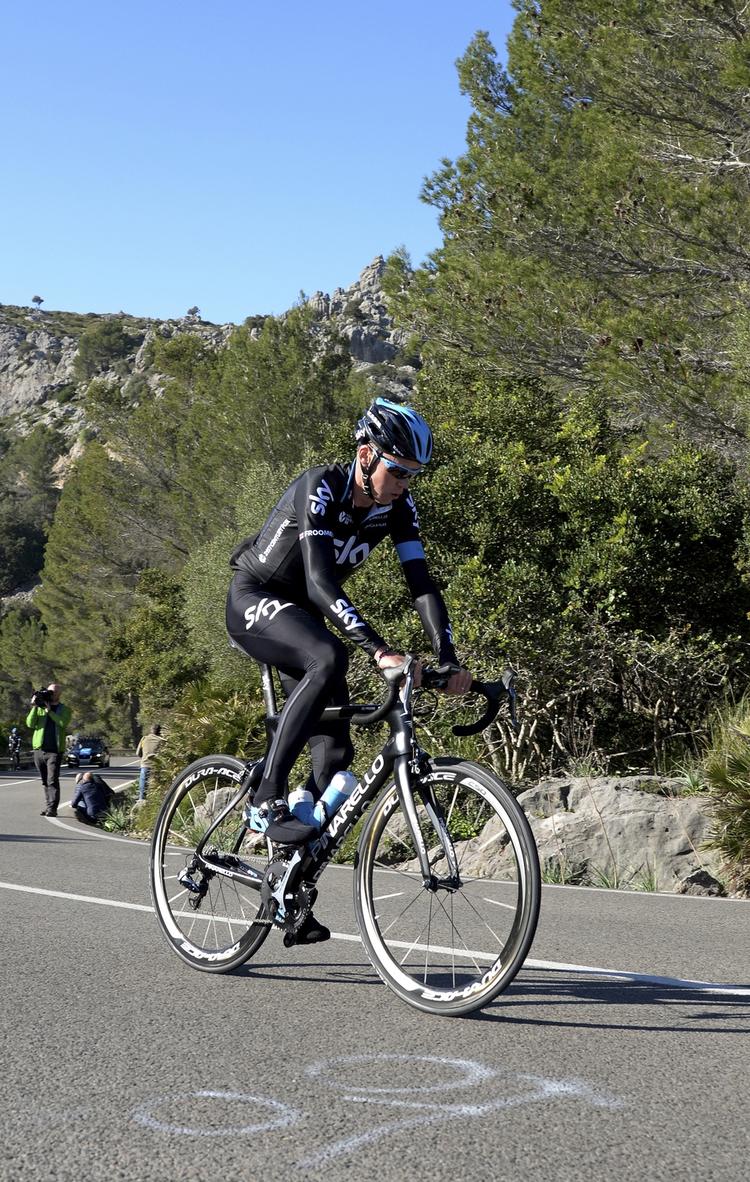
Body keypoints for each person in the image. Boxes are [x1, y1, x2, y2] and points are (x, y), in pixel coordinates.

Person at [226, 397, 473, 944]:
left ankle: (289, 885)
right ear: (367, 454)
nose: (405, 483)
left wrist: (448, 657)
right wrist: (380, 649)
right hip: (256, 597)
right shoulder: (319, 486)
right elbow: (317, 582)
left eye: (414, 475)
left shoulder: (397, 509)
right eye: (399, 470)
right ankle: (266, 796)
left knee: (336, 756)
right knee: (327, 658)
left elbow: (422, 585)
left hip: (305, 617)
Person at [26, 683, 72, 817]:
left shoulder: (64, 709)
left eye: (54, 692)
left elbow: (63, 723)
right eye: (49, 691)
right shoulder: (39, 708)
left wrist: (49, 711)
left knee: (52, 779)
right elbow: (30, 724)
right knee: (45, 781)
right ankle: (48, 807)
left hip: (55, 751)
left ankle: (52, 809)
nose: (51, 694)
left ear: (59, 694)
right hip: (39, 750)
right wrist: (35, 707)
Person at [135, 724, 165, 800]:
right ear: (160, 732)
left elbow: (138, 753)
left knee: (143, 787)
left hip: (145, 765)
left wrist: (144, 757)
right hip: (157, 766)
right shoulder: (162, 740)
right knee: (157, 786)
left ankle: (141, 801)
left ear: (151, 730)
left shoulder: (144, 738)